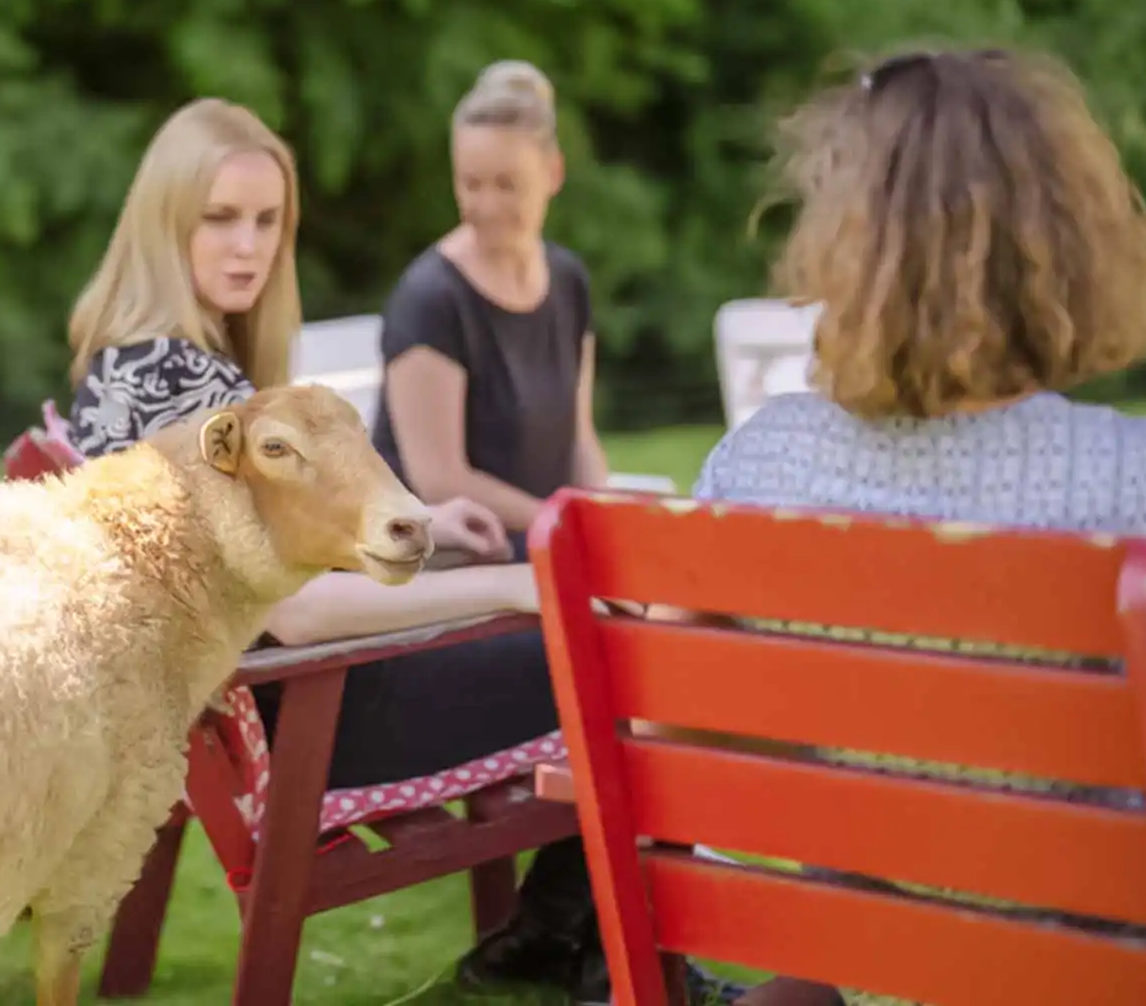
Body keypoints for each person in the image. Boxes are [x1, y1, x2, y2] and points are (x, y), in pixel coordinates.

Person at [66, 96, 739, 1004]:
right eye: (218, 219)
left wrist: (419, 527)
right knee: (638, 651)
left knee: (610, 638)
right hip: (313, 718)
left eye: (268, 221)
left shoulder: (133, 365)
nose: (248, 246)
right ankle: (607, 952)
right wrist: (505, 585)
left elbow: (273, 561)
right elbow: (295, 614)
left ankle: (553, 936)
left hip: (247, 715)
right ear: (164, 225)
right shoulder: (192, 388)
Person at [679, 45, 1146, 1006]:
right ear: (1071, 238)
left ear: (843, 250)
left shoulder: (757, 468)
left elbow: (668, 726)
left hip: (887, 957)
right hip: (1140, 974)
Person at [371, 60, 611, 564]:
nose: (486, 205)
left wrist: (603, 518)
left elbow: (580, 441)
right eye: (470, 183)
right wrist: (563, 523)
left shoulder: (568, 282)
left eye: (507, 185)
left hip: (547, 537)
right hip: (454, 556)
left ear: (553, 174)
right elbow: (439, 480)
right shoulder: (430, 299)